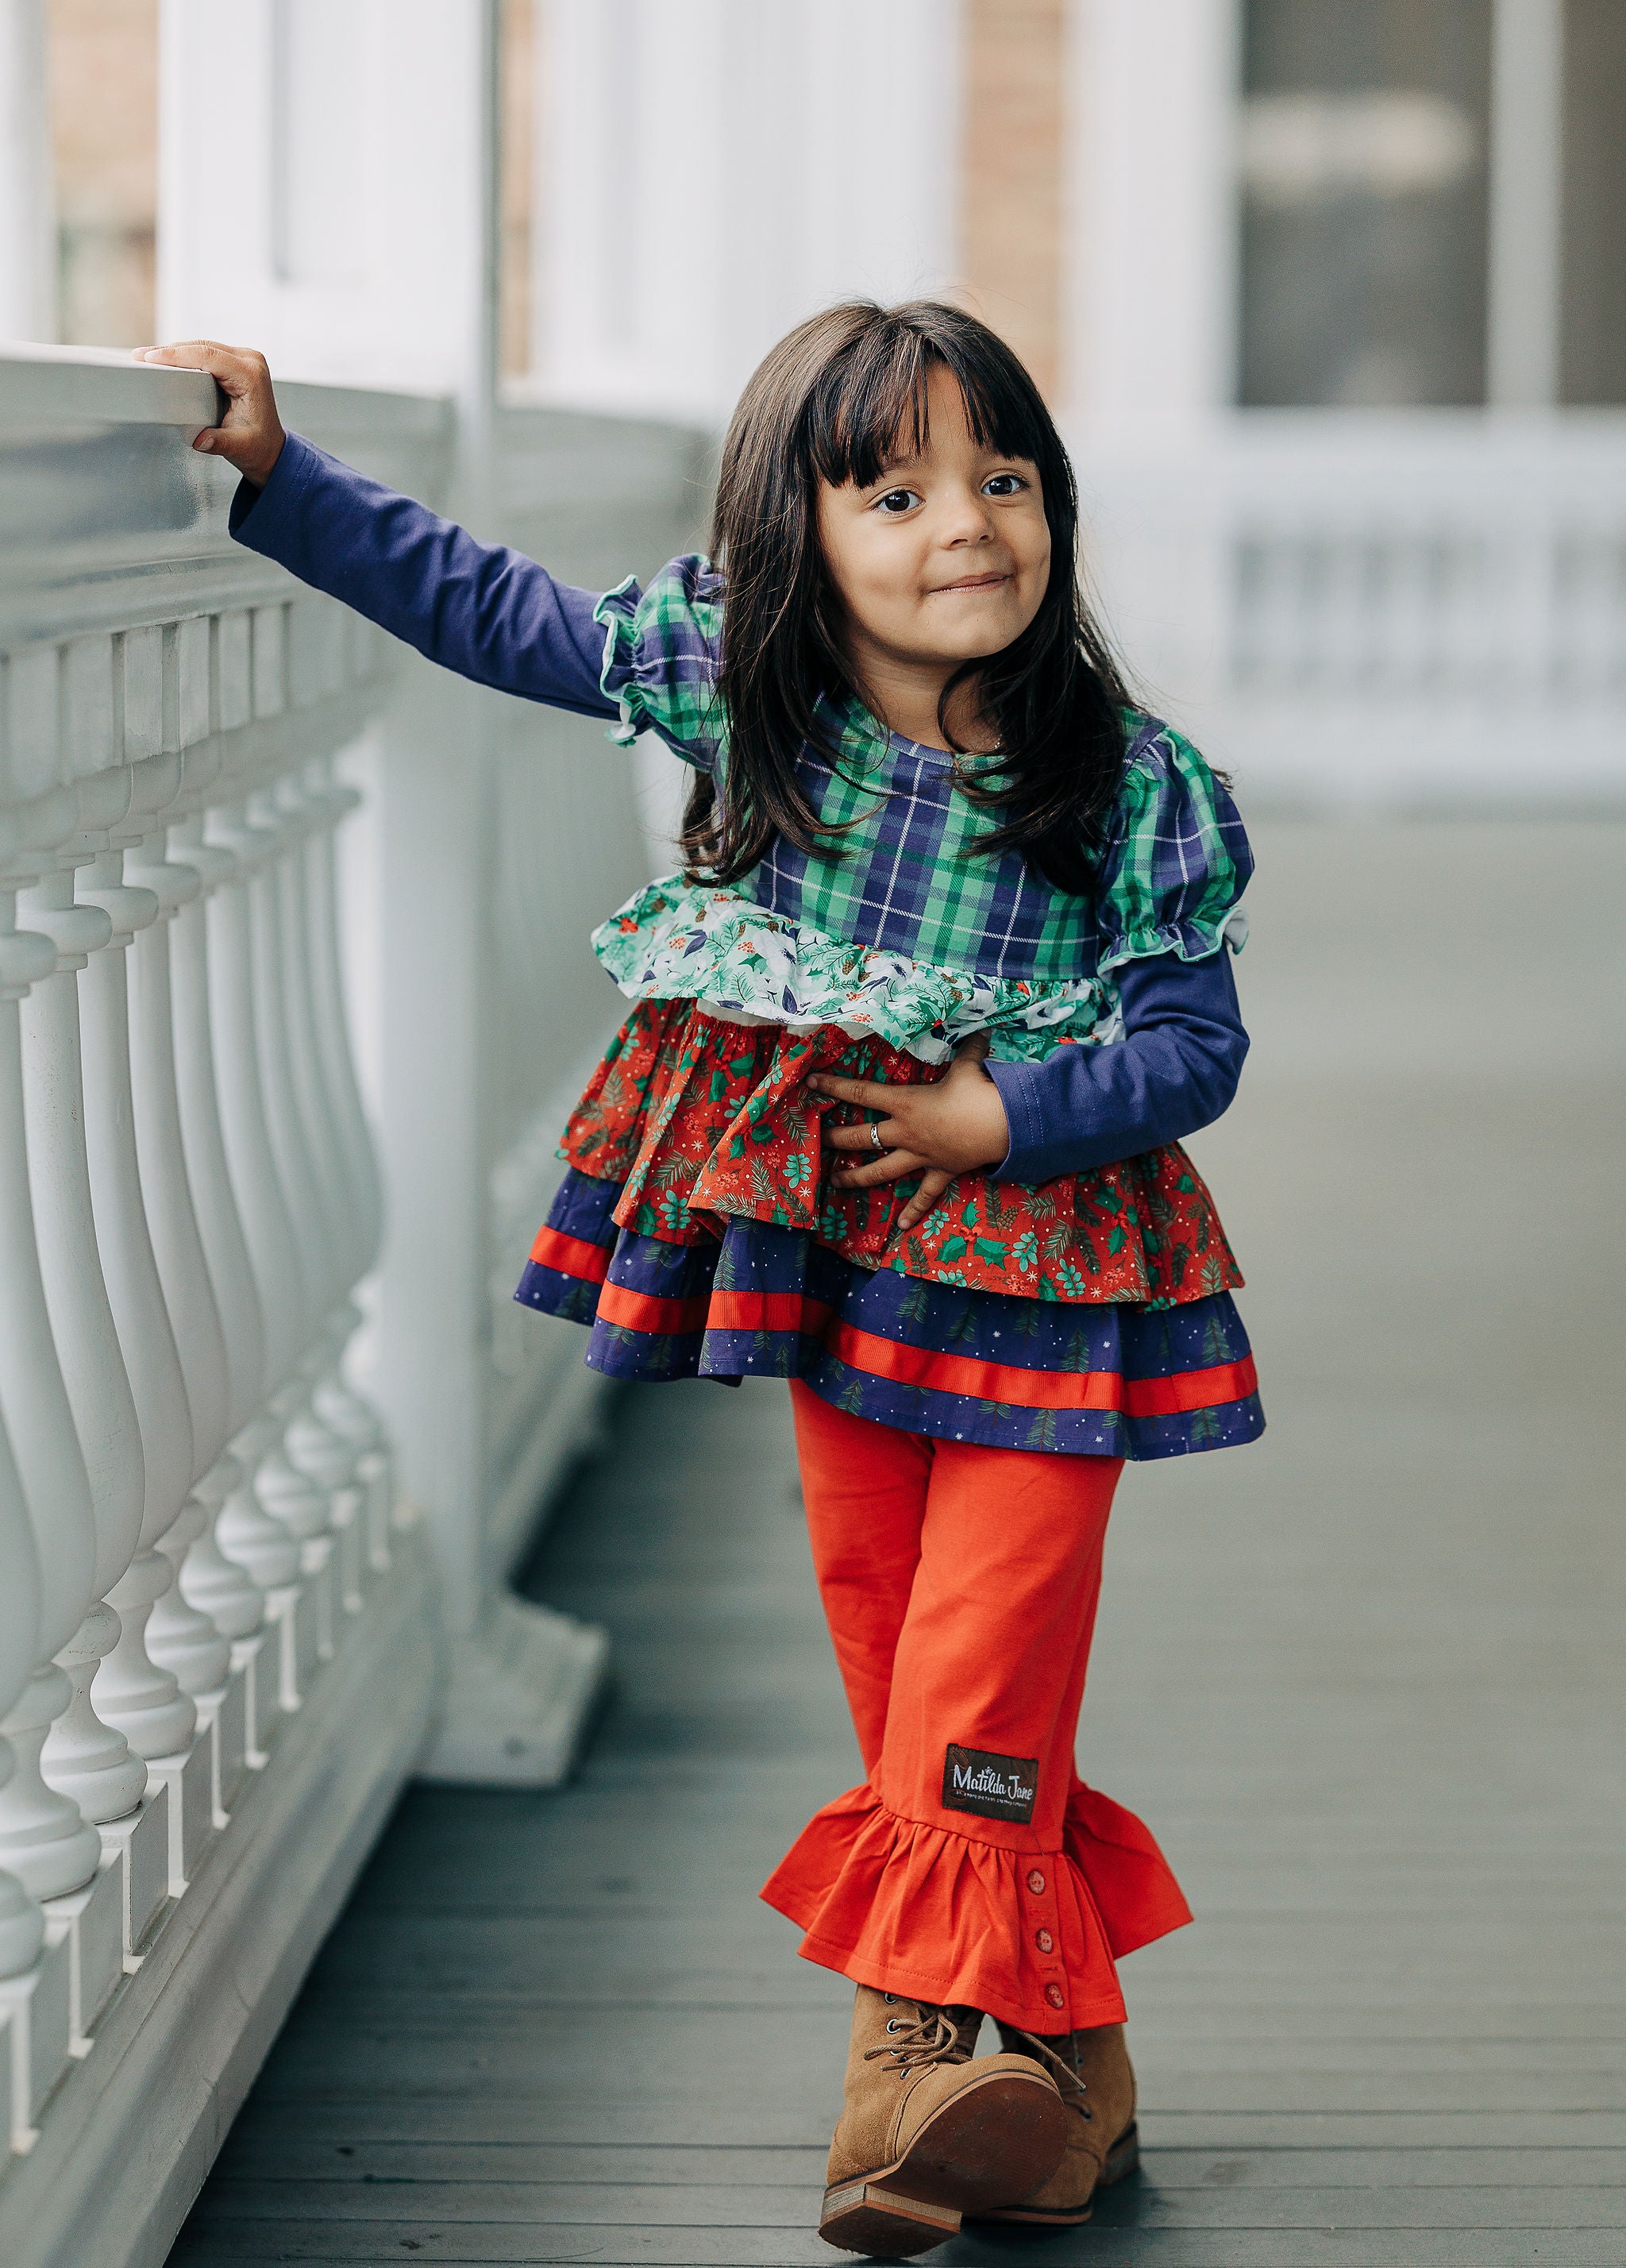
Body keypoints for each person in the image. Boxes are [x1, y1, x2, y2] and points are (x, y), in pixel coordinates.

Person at [138, 301, 1262, 2256]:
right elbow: (498, 614)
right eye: (894, 489)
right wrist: (281, 479)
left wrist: (1009, 1116)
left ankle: (908, 2053)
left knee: (985, 1651)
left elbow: (1195, 1043)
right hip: (841, 1274)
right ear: (790, 536)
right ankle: (1061, 2060)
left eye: (1002, 479)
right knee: (888, 1628)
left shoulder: (1117, 780)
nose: (964, 524)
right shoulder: (758, 698)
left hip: (1047, 1287)